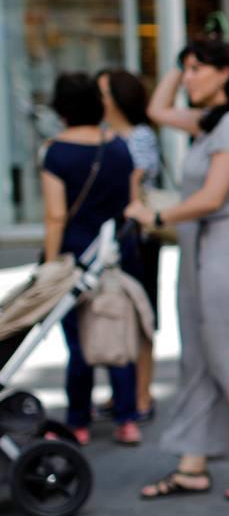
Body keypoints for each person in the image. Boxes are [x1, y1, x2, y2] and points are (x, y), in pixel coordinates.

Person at [125, 38, 229, 501]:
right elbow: (158, 110)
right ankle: (192, 465)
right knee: (199, 360)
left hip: (227, 254)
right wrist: (180, 69)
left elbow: (212, 197)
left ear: (225, 73)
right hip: (202, 252)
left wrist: (155, 217)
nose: (190, 77)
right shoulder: (210, 122)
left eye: (200, 68)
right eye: (188, 69)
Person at [41, 72, 142, 446]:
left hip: (75, 255)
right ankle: (127, 418)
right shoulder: (118, 146)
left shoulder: (56, 152)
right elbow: (131, 203)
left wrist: (49, 266)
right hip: (116, 252)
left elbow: (55, 216)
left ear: (62, 109)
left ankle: (79, 423)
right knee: (117, 329)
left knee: (79, 341)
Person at [97, 68, 160, 423]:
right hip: (107, 236)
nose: (99, 99)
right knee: (110, 313)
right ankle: (120, 392)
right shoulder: (100, 134)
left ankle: (141, 393)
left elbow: (133, 183)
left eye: (104, 93)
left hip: (136, 237)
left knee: (143, 315)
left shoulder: (140, 135)